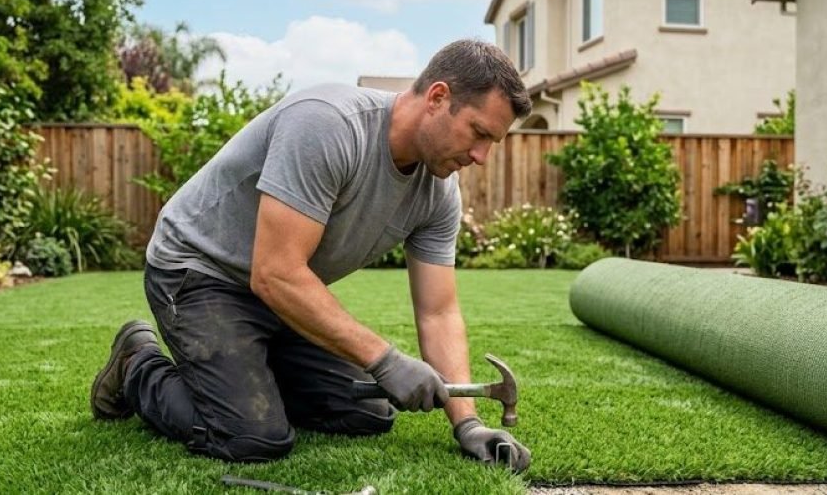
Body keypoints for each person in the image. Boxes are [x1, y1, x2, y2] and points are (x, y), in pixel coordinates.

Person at [89, 39, 533, 471]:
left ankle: (246, 374)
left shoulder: (439, 192)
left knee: (368, 411)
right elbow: (275, 273)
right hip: (200, 273)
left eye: (492, 142)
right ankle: (137, 364)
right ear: (438, 97)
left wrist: (468, 423)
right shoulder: (328, 125)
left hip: (278, 294)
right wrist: (386, 359)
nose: (481, 156)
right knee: (252, 436)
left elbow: (438, 312)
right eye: (478, 133)